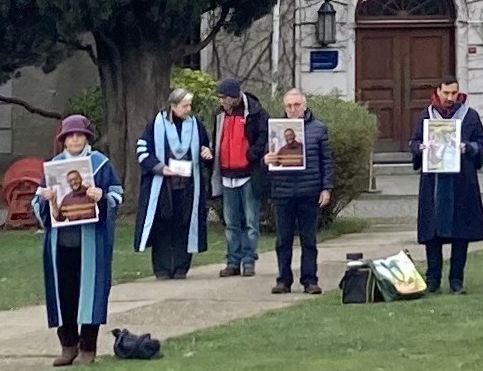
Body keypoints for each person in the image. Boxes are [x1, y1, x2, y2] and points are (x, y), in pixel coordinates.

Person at [37, 115, 124, 364]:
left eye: (79, 135)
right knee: (64, 294)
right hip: (60, 243)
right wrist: (46, 198)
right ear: (63, 140)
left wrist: (102, 196)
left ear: (87, 137)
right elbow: (37, 204)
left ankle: (88, 347)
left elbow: (117, 195)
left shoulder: (100, 164)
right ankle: (68, 345)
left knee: (90, 293)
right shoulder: (53, 167)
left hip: (90, 243)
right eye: (70, 136)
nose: (74, 139)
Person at [415, 78, 483, 294]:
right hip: (434, 183)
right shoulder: (426, 116)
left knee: (461, 233)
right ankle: (433, 279)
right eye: (446, 93)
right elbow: (414, 141)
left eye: (454, 93)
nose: (450, 98)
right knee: (432, 233)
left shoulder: (470, 116)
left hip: (461, 181)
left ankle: (456, 280)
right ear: (438, 91)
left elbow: (482, 142)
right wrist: (419, 148)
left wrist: (469, 148)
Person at [132, 88, 210, 279]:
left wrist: (206, 153)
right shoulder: (155, 124)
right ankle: (162, 268)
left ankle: (182, 267)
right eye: (184, 106)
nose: (188, 109)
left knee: (184, 225)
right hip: (162, 186)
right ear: (173, 106)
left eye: (189, 105)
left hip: (188, 185)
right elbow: (142, 149)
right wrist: (159, 167)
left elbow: (205, 146)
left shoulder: (195, 124)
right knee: (162, 226)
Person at [263, 88, 334, 293]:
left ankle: (310, 280)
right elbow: (267, 158)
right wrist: (266, 160)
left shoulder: (318, 129)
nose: (293, 109)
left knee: (309, 239)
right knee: (283, 240)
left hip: (309, 191)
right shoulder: (275, 130)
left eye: (296, 105)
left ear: (304, 105)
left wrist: (326, 188)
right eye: (288, 106)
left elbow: (326, 161)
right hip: (283, 191)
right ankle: (283, 280)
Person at [210, 80, 269, 279]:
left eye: (223, 98)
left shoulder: (256, 113)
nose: (221, 101)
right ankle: (233, 262)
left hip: (248, 175)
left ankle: (249, 260)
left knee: (251, 222)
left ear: (233, 97)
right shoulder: (219, 116)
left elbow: (264, 137)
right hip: (227, 175)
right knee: (231, 224)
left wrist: (251, 154)